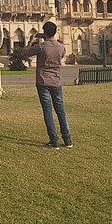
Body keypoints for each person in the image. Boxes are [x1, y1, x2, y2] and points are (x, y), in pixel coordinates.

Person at [22, 21, 72, 149]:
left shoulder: (41, 47)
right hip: (56, 81)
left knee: (48, 110)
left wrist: (31, 41)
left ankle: (54, 140)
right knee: (60, 110)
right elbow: (60, 57)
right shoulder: (61, 47)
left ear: (44, 32)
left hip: (43, 81)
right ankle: (67, 139)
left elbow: (25, 53)